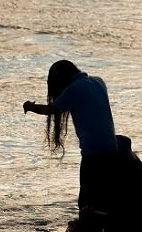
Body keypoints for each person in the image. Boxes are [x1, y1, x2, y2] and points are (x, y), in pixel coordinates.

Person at [22, 60, 121, 214]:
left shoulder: (74, 89)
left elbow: (50, 109)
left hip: (93, 153)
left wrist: (29, 106)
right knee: (106, 195)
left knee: (87, 200)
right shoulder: (98, 82)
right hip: (112, 149)